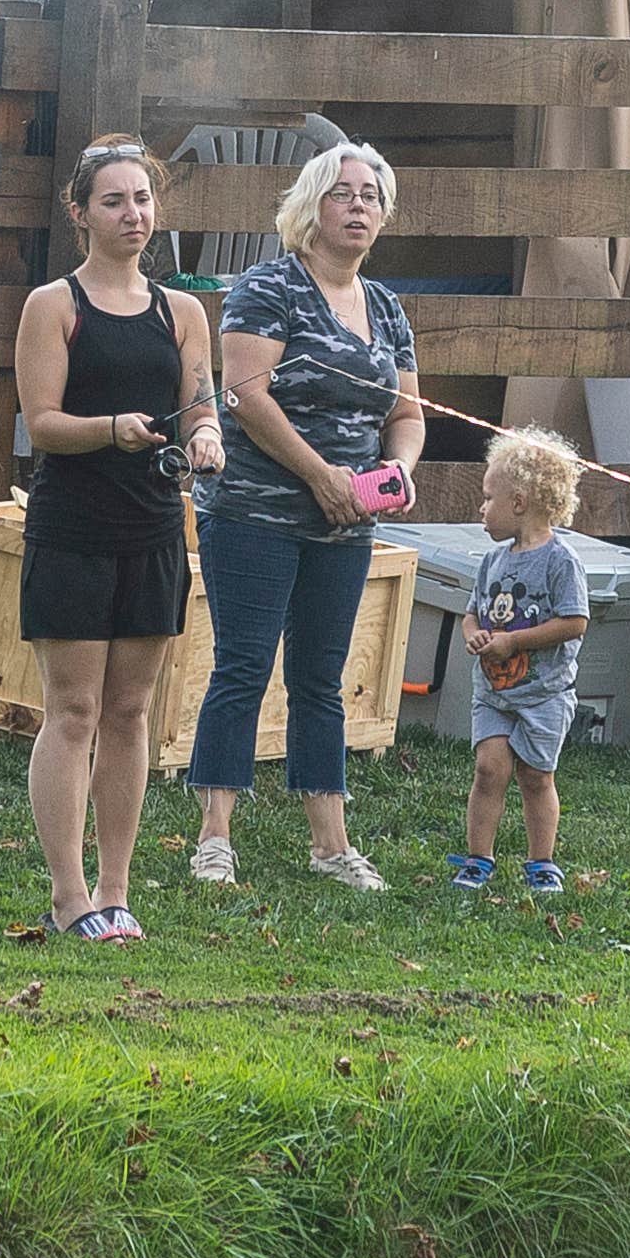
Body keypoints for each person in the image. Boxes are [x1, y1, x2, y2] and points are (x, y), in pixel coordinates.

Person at [189, 137, 422, 891]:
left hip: (347, 521)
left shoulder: (386, 306)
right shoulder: (269, 287)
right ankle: (214, 836)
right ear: (311, 206)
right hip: (255, 510)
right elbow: (245, 394)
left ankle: (330, 843)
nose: (360, 205)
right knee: (243, 665)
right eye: (344, 191)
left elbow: (408, 413)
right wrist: (320, 474)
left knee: (321, 676)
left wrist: (396, 472)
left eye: (372, 195)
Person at [5, 133, 201, 942]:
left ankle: (117, 892)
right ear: (81, 213)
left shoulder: (180, 310)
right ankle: (68, 894)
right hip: (74, 528)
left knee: (130, 711)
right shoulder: (52, 305)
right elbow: (43, 423)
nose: (133, 213)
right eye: (114, 200)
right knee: (75, 708)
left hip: (153, 529)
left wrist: (210, 438)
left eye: (143, 198)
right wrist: (110, 429)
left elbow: (200, 408)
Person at [444, 420, 592, 906]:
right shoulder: (493, 562)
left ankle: (541, 862)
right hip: (494, 693)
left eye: (488, 498)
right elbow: (471, 614)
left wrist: (515, 641)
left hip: (543, 695)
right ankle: (478, 857)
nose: (481, 508)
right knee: (489, 769)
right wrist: (476, 635)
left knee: (535, 776)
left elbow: (575, 622)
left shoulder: (560, 562)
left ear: (520, 502)